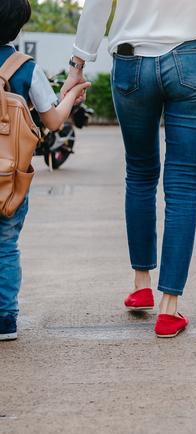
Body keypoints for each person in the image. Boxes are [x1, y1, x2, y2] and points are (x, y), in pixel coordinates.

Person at [61, 0, 196, 338]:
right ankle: (168, 308)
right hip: (193, 61)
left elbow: (97, 5)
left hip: (132, 62)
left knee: (139, 175)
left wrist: (77, 65)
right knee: (182, 185)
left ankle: (141, 284)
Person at [0, 0, 90, 341]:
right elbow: (52, 121)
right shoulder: (24, 68)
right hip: (8, 178)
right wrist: (73, 95)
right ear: (18, 27)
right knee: (5, 246)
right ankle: (4, 320)